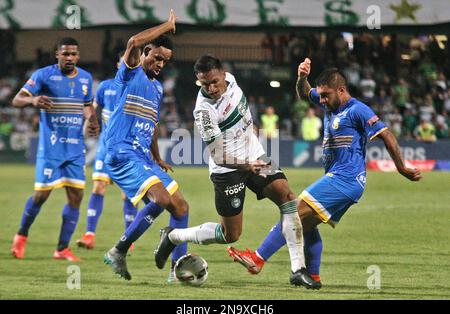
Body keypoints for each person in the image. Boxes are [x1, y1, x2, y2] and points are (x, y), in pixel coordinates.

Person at [227, 58, 422, 288]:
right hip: (341, 179)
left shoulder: (358, 110)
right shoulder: (328, 101)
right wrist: (302, 78)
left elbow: (386, 135)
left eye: (326, 95)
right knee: (307, 227)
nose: (321, 100)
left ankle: (257, 259)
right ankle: (314, 276)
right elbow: (304, 93)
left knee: (293, 213)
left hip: (345, 179)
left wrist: (401, 167)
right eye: (320, 95)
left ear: (341, 90)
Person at [153, 54, 320, 289]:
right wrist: (246, 165)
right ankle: (173, 236)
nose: (211, 88)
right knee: (230, 235)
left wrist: (255, 134)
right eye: (204, 84)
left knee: (288, 197)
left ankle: (297, 269)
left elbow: (244, 115)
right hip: (227, 170)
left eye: (214, 81)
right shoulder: (203, 112)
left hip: (255, 156)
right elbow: (218, 155)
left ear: (223, 73)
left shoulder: (232, 80)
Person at [103, 10, 189, 282]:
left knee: (180, 207)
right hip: (121, 151)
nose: (160, 63)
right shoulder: (129, 74)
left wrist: (157, 157)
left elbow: (151, 124)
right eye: (156, 57)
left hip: (142, 156)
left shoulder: (158, 89)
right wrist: (167, 25)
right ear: (145, 52)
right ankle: (119, 250)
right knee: (161, 199)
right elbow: (133, 42)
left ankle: (177, 271)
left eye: (165, 61)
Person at [11, 37, 99, 261]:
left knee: (77, 196)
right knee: (41, 196)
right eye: (65, 54)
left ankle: (61, 248)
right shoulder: (43, 75)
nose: (70, 58)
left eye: (73, 54)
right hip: (50, 149)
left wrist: (92, 119)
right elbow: (17, 100)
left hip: (74, 150)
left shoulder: (86, 79)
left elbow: (87, 106)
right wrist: (33, 101)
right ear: (56, 54)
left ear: (78, 56)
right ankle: (21, 236)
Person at [76, 53, 138, 250]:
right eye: (125, 61)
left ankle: (129, 239)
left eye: (132, 62)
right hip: (105, 147)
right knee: (98, 187)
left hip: (128, 150)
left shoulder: (139, 88)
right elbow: (93, 110)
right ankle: (89, 235)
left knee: (127, 194)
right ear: (118, 63)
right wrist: (90, 122)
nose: (128, 64)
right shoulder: (105, 86)